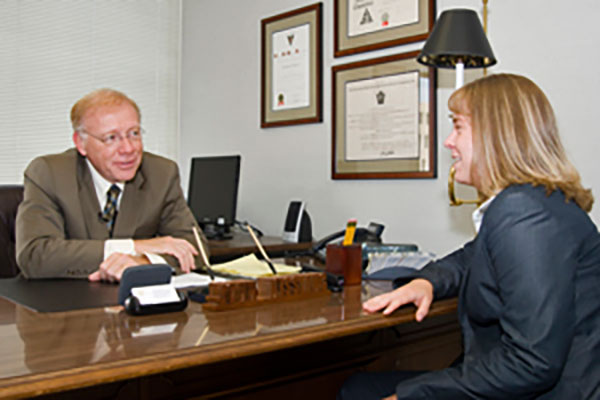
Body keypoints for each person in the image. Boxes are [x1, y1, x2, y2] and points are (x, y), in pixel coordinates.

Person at [338, 74, 600, 399]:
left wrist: (408, 398)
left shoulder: (524, 212)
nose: (448, 141)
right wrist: (428, 282)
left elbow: (532, 362)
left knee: (360, 391)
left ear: (496, 135)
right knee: (358, 388)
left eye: (458, 127)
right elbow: (471, 257)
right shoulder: (535, 202)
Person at [16, 88, 209, 282]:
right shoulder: (50, 173)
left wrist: (143, 262)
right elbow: (35, 255)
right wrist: (135, 247)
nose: (128, 149)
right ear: (81, 143)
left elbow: (196, 249)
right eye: (111, 138)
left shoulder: (161, 173)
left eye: (134, 133)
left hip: (133, 304)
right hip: (60, 301)